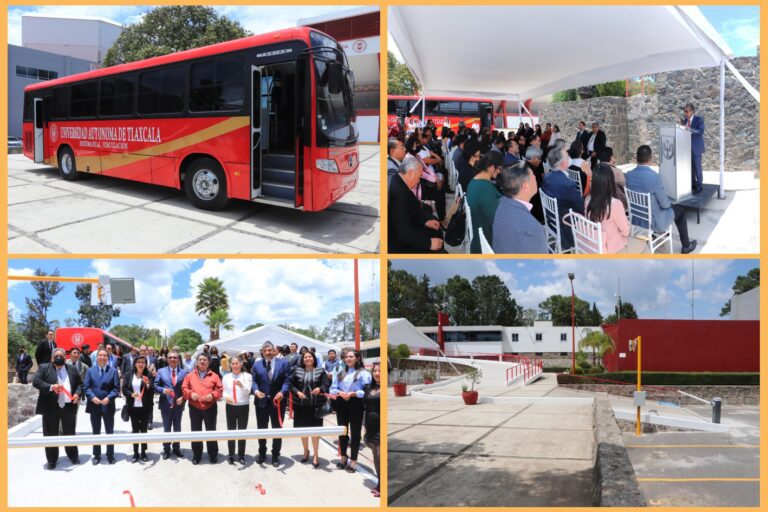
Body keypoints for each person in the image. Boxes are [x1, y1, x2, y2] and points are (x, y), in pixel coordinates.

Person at [625, 145, 698, 254]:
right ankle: (686, 246)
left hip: (636, 218)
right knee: (680, 210)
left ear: (636, 158)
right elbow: (664, 204)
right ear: (650, 159)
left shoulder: (628, 175)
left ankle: (658, 236)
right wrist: (671, 203)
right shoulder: (655, 177)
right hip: (653, 220)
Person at [33, 347, 82, 469]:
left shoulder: (72, 369)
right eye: (56, 356)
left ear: (65, 358)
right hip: (50, 407)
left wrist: (77, 394)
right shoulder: (44, 368)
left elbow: (80, 384)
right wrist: (50, 387)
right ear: (52, 358)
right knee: (50, 434)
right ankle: (52, 460)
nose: (59, 358)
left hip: (68, 407)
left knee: (70, 432)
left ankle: (73, 456)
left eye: (61, 356)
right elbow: (36, 381)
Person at [389, 156, 444, 253]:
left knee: (436, 230)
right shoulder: (398, 192)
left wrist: (425, 221)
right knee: (439, 249)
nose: (419, 181)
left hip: (407, 228)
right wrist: (429, 243)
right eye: (419, 177)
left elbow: (415, 206)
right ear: (411, 173)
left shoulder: (401, 183)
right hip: (398, 242)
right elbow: (404, 232)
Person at [330, 348, 372, 473]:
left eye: (351, 357)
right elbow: (332, 388)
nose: (348, 359)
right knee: (342, 431)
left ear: (358, 358)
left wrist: (353, 394)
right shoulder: (341, 373)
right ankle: (343, 457)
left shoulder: (364, 373)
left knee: (355, 433)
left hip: (356, 404)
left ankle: (353, 460)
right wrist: (340, 392)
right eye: (346, 357)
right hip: (342, 403)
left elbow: (367, 390)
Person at [251, 340, 292, 467]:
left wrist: (282, 392)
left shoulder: (284, 363)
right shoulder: (256, 365)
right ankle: (262, 453)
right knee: (261, 430)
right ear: (262, 352)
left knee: (277, 430)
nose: (268, 352)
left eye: (270, 350)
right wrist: (256, 391)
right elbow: (253, 381)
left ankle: (275, 455)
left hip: (278, 402)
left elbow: (288, 380)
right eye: (265, 350)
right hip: (261, 402)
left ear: (274, 351)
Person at [492, 163, 548, 254]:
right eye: (533, 175)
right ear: (525, 186)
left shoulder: (501, 204)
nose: (536, 178)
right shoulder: (533, 228)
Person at [291, 350, 331, 468]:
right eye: (305, 357)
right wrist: (297, 392)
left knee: (315, 432)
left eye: (309, 357)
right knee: (302, 431)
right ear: (302, 359)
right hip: (300, 406)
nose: (307, 359)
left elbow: (326, 385)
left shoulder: (320, 371)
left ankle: (316, 455)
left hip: (315, 406)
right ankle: (305, 451)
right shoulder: (297, 371)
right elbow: (291, 385)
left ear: (314, 358)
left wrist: (320, 389)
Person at [182, 352, 223, 464]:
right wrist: (190, 394)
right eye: (200, 359)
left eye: (205, 360)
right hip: (195, 408)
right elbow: (184, 388)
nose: (202, 361)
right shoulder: (189, 375)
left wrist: (213, 395)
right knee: (196, 432)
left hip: (210, 408)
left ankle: (213, 455)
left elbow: (220, 390)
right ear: (197, 361)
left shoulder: (214, 376)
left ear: (209, 362)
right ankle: (197, 455)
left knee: (211, 431)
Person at [542, 145, 585, 251]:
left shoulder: (547, 176)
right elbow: (581, 208)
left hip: (551, 219)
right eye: (567, 157)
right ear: (563, 163)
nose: (569, 158)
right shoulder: (567, 184)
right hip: (565, 225)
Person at [82, 348, 120, 465]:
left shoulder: (113, 371)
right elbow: (86, 387)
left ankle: (110, 455)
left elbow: (116, 389)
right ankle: (97, 455)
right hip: (94, 405)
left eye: (105, 356)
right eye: (100, 355)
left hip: (108, 405)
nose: (102, 357)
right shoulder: (90, 370)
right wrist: (92, 397)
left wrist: (109, 398)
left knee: (109, 431)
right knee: (96, 431)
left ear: (108, 358)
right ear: (96, 357)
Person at [585, 163, 630, 253]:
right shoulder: (615, 204)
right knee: (643, 245)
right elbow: (626, 232)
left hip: (595, 245)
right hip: (613, 248)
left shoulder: (587, 199)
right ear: (610, 180)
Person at [154, 350, 187, 459]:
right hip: (166, 405)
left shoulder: (183, 372)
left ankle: (176, 448)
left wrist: (183, 398)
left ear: (178, 359)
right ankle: (166, 450)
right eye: (170, 357)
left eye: (175, 357)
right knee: (167, 428)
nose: (173, 359)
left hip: (178, 405)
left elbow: (186, 389)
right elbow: (155, 386)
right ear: (167, 359)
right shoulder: (161, 371)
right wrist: (163, 390)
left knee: (177, 427)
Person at [466, 152, 502, 253]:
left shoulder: (474, 181)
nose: (499, 172)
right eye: (499, 169)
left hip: (477, 231)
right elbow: (497, 221)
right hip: (483, 239)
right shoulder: (486, 188)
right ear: (491, 167)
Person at [122, 355, 154, 463]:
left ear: (145, 364)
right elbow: (124, 389)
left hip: (145, 407)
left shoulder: (148, 375)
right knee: (135, 430)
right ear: (135, 364)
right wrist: (131, 394)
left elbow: (152, 391)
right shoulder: (128, 375)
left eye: (143, 362)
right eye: (139, 362)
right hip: (133, 408)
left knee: (144, 430)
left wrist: (149, 386)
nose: (141, 364)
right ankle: (135, 453)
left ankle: (144, 452)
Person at [222, 356, 253, 465]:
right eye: (233, 363)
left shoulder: (247, 376)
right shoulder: (226, 377)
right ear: (230, 365)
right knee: (231, 430)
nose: (235, 365)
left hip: (243, 406)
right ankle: (231, 454)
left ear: (241, 364)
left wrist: (241, 385)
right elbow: (223, 391)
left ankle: (241, 455)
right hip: (230, 406)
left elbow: (247, 392)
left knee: (242, 431)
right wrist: (226, 398)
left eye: (237, 363)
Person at [364, 362, 381, 498]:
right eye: (375, 371)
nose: (377, 373)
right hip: (370, 426)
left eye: (380, 371)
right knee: (375, 454)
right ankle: (380, 482)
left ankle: (383, 486)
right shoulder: (369, 388)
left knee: (380, 454)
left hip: (380, 426)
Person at [681, 103, 705, 193]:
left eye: (686, 111)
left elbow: (700, 131)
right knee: (690, 168)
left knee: (697, 167)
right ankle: (692, 184)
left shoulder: (699, 119)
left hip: (696, 148)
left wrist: (688, 128)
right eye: (684, 111)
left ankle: (699, 186)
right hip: (686, 149)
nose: (685, 113)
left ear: (692, 111)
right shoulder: (684, 121)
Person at [525, 146, 545, 224]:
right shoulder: (532, 172)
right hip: (535, 210)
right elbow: (537, 191)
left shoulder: (524, 165)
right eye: (539, 158)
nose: (540, 161)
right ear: (533, 158)